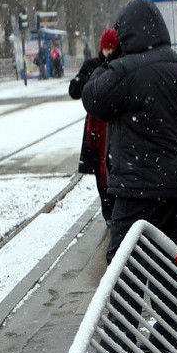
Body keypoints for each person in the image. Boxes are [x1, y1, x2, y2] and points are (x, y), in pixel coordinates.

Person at [81, 0, 177, 265]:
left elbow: (92, 98)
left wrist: (110, 61)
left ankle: (123, 308)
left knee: (124, 267)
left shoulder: (124, 71)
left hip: (137, 190)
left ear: (125, 35)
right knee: (173, 265)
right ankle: (174, 308)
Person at [69, 28, 119, 224]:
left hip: (114, 128)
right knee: (101, 172)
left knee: (114, 168)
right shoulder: (92, 66)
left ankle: (115, 213)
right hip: (97, 132)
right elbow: (74, 90)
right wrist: (85, 81)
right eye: (106, 48)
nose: (108, 52)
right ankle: (109, 214)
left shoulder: (120, 65)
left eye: (112, 48)